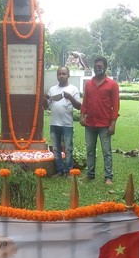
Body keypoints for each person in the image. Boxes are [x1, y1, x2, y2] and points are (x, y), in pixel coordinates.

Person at [80, 56, 120, 185]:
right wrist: (82, 115)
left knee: (106, 151)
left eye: (100, 66)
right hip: (90, 123)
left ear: (105, 67)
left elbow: (116, 105)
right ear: (94, 67)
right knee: (90, 150)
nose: (98, 68)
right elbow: (85, 101)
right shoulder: (89, 84)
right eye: (96, 66)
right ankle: (90, 175)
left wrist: (113, 123)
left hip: (104, 124)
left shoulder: (112, 85)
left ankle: (108, 177)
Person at [44, 66, 81, 176]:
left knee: (68, 149)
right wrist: (44, 99)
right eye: (59, 74)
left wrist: (70, 97)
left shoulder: (73, 89)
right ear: (57, 76)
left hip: (67, 125)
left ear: (68, 75)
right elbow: (46, 107)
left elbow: (79, 106)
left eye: (63, 74)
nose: (61, 76)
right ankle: (59, 171)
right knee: (56, 149)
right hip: (54, 124)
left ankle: (68, 171)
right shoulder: (52, 89)